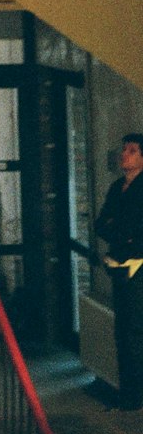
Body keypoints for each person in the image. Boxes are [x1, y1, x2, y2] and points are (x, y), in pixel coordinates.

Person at [96, 133, 143, 411]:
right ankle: (128, 390)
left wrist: (123, 233)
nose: (124, 154)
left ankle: (135, 395)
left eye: (132, 150)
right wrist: (122, 233)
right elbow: (101, 223)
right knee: (122, 331)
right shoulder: (117, 188)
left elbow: (133, 230)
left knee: (134, 331)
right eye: (124, 149)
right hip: (119, 264)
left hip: (137, 266)